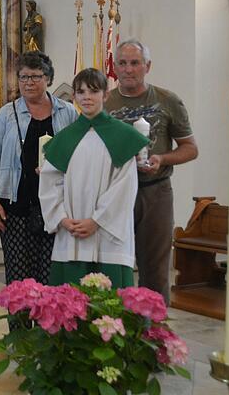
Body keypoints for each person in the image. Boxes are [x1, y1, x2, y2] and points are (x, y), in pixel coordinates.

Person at [105, 39, 198, 302]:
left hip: (154, 191)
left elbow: (190, 148)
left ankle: (153, 334)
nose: (128, 69)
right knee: (115, 267)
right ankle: (116, 332)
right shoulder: (104, 103)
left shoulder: (168, 101)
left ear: (147, 66)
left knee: (155, 271)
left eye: (135, 63)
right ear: (114, 66)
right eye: (122, 63)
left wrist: (162, 158)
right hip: (115, 194)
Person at [38, 68, 149, 288]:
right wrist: (61, 218)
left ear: (105, 95)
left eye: (93, 91)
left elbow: (124, 187)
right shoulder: (65, 139)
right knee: (71, 308)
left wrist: (96, 221)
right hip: (72, 234)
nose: (86, 97)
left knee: (110, 311)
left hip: (108, 237)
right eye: (81, 92)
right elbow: (50, 183)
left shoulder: (123, 136)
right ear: (74, 97)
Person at [0, 51, 77, 290]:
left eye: (35, 77)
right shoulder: (6, 114)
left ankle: (47, 327)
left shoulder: (67, 113)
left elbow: (79, 155)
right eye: (23, 77)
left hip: (55, 207)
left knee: (50, 279)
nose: (28, 83)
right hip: (15, 206)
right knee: (18, 280)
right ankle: (20, 328)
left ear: (48, 78)